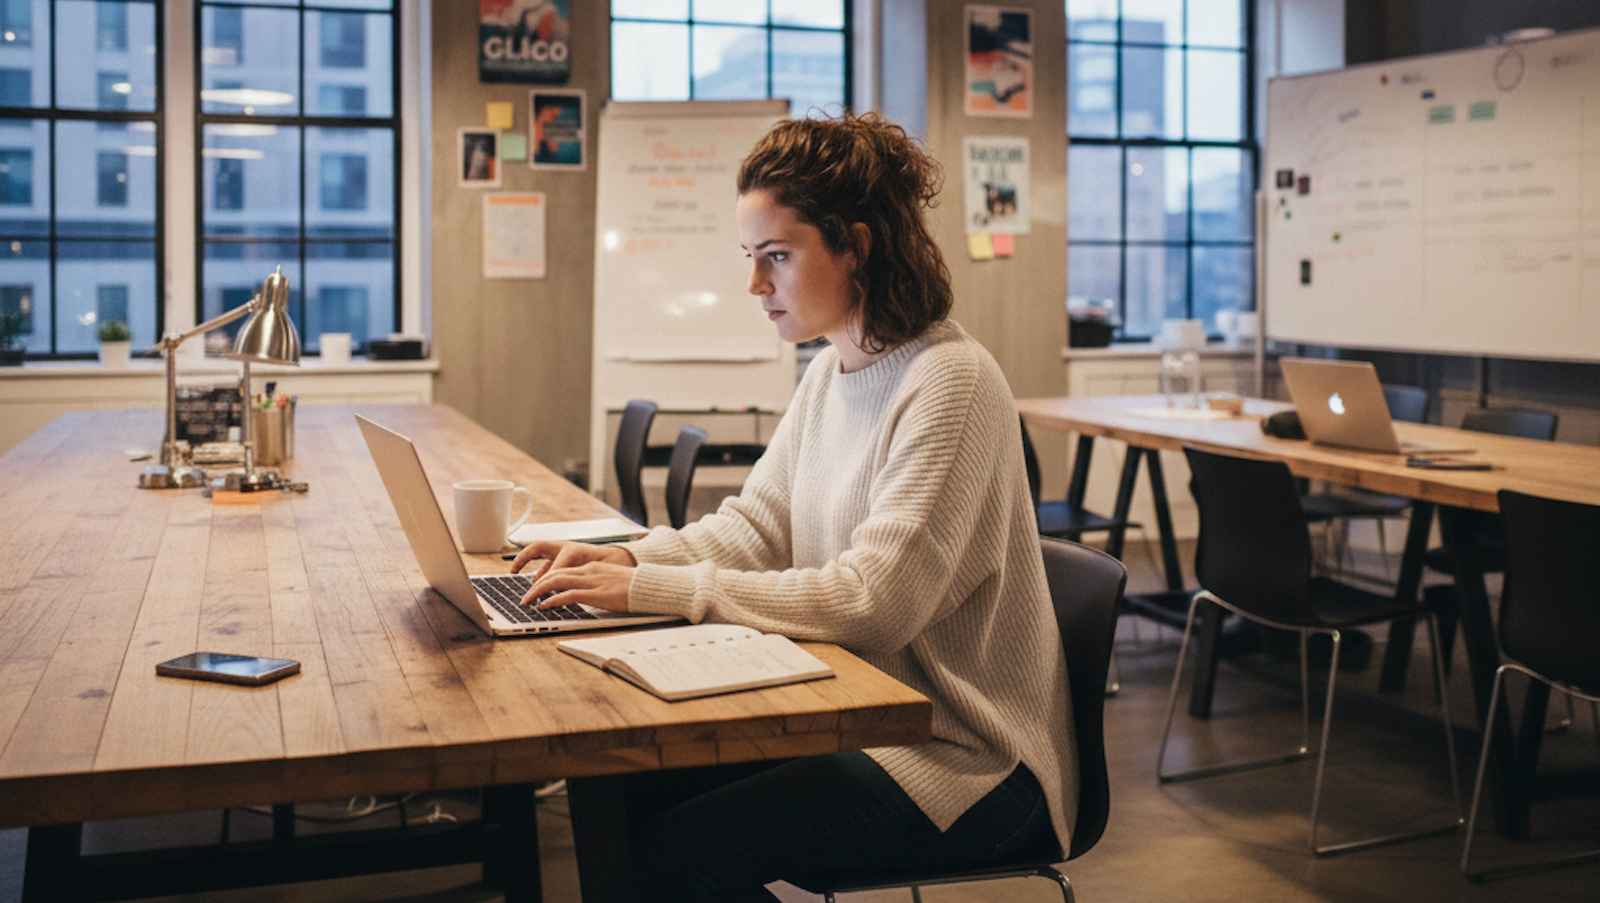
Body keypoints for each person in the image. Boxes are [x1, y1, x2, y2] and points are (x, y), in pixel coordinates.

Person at [512, 112, 1074, 902]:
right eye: (751, 257)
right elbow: (758, 525)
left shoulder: (951, 381)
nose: (754, 284)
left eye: (775, 256)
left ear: (857, 243)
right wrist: (632, 559)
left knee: (684, 853)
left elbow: (874, 603)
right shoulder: (831, 370)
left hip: (962, 754)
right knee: (620, 787)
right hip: (857, 707)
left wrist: (655, 590)